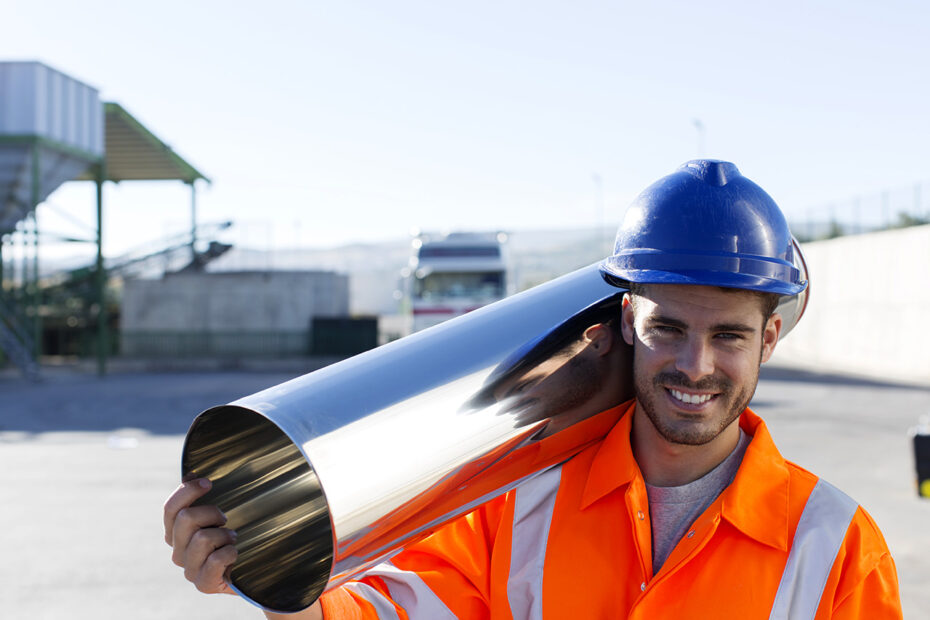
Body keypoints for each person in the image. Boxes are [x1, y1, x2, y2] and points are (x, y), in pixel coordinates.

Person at [164, 160, 902, 619]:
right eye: (668, 328)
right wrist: (268, 575)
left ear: (769, 339)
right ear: (624, 319)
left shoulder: (834, 547)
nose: (695, 365)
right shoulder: (512, 510)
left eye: (730, 337)